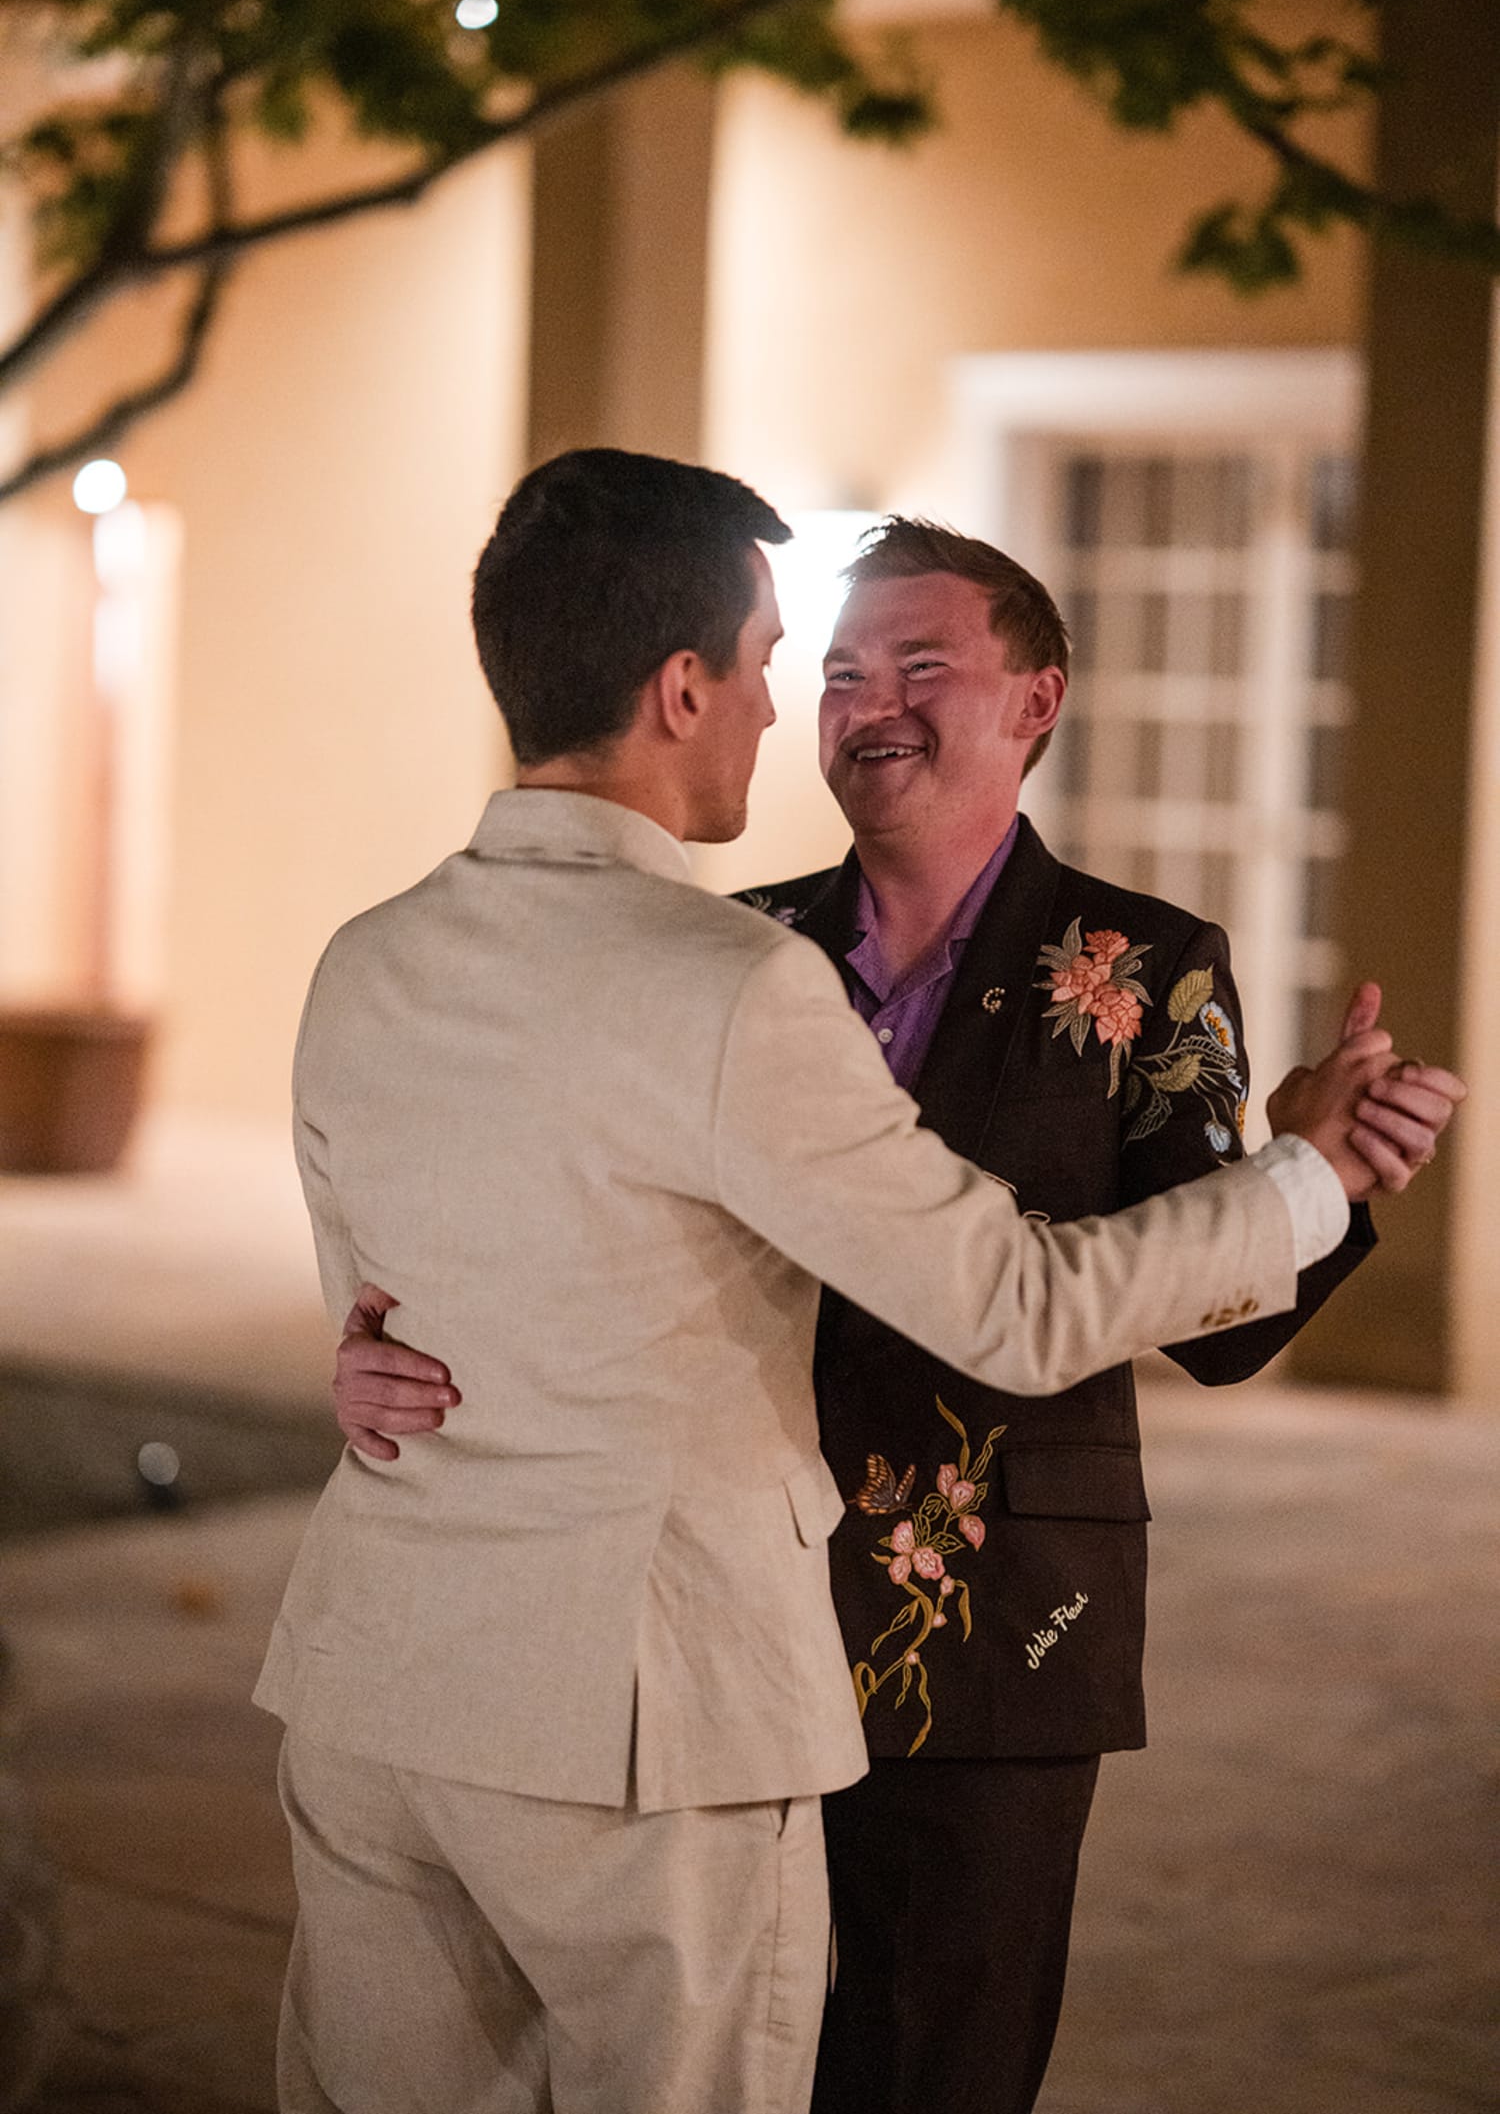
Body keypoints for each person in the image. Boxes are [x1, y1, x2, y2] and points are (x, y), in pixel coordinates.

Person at [268, 452, 1452, 2114]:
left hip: (951, 1631)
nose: (815, 707)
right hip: (680, 1682)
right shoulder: (741, 957)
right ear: (688, 687)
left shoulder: (368, 958)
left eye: (916, 669)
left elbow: (403, 1281)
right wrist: (1303, 1178)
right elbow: (1019, 1299)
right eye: (802, 667)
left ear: (1039, 701)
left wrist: (1318, 1190)